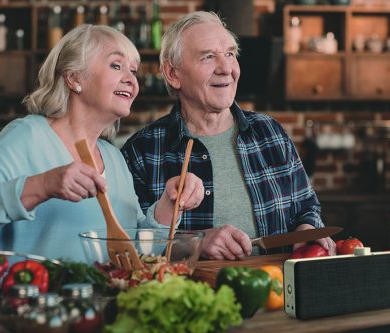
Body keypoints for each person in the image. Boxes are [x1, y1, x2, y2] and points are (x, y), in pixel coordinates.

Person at [0, 24, 204, 262]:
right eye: (116, 65)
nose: (131, 79)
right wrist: (44, 184)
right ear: (74, 78)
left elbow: (133, 251)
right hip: (28, 307)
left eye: (133, 71)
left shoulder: (113, 157)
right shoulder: (28, 136)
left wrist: (169, 206)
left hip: (99, 308)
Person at [121, 11, 336, 260]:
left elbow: (306, 206)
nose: (226, 69)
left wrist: (306, 231)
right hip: (193, 295)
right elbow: (135, 244)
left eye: (230, 54)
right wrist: (195, 243)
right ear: (173, 74)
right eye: (208, 57)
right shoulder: (142, 151)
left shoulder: (271, 133)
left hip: (278, 292)